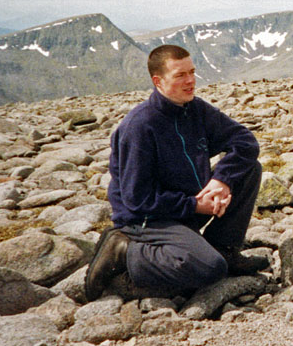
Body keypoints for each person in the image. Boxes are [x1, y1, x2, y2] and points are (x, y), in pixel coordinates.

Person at [85, 44, 264, 301]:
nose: (190, 81)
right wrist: (195, 206)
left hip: (186, 206)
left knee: (248, 169)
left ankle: (224, 248)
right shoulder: (140, 127)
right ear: (158, 81)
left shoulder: (196, 110)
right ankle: (125, 253)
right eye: (180, 75)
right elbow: (137, 200)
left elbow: (245, 142)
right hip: (146, 219)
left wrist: (221, 181)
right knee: (210, 269)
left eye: (192, 72)